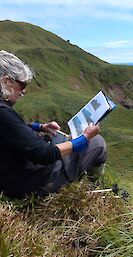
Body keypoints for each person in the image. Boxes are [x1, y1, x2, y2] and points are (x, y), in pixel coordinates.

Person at [0, 50, 107, 198]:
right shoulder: (2, 112)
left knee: (62, 139)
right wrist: (84, 139)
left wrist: (40, 127)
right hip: (31, 184)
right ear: (6, 81)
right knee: (97, 143)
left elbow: (10, 130)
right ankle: (94, 189)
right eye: (22, 85)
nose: (23, 92)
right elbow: (44, 154)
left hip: (13, 177)